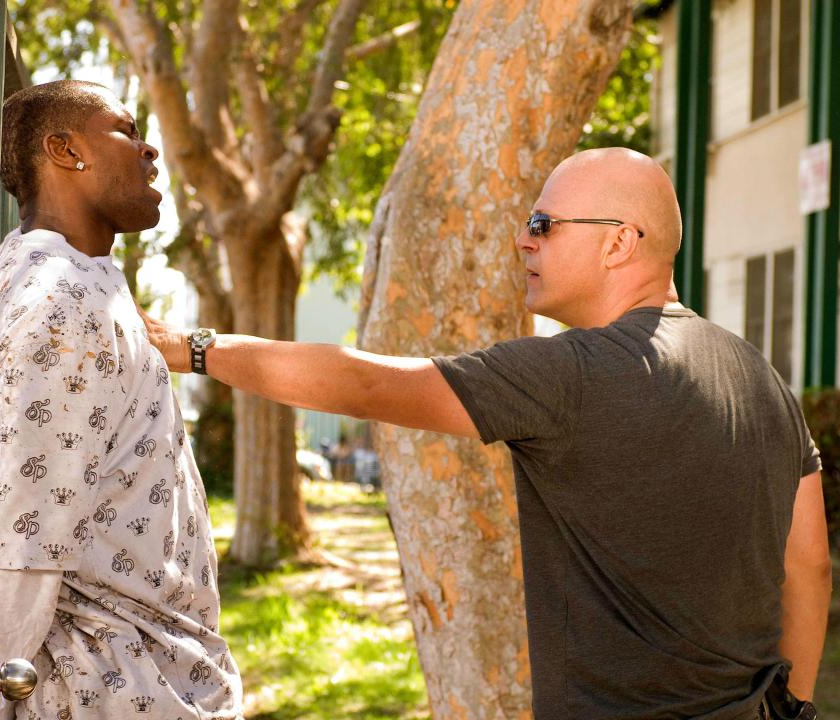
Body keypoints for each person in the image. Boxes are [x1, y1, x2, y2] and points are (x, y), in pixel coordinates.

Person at [139, 147, 832, 719]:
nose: (522, 239)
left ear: (620, 241)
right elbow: (809, 566)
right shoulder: (762, 378)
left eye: (544, 223)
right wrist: (795, 708)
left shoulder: (570, 376)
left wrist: (189, 348)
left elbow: (367, 382)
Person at [0, 80, 242, 719]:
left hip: (147, 671)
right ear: (65, 150)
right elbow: (26, 532)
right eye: (126, 131)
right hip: (106, 684)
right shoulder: (59, 301)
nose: (148, 149)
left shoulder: (84, 282)